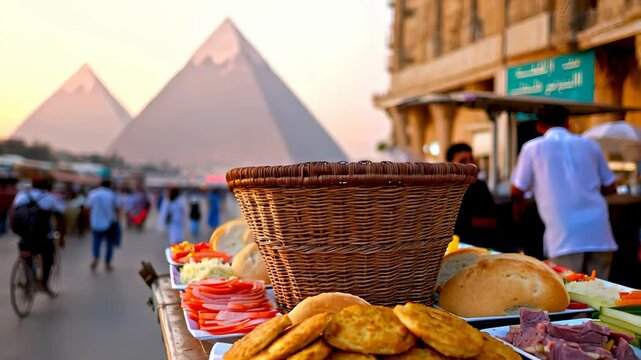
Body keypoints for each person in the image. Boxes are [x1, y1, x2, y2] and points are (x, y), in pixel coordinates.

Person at [511, 106, 618, 278]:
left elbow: (517, 189)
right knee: (601, 291)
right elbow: (610, 185)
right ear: (567, 121)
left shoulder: (532, 148)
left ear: (539, 126)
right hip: (598, 230)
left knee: (569, 292)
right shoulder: (590, 145)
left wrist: (519, 205)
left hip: (564, 234)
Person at [10, 176, 65, 296]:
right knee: (48, 258)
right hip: (43, 237)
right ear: (47, 187)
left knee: (26, 254)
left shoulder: (21, 195)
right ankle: (43, 284)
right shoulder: (49, 198)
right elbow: (60, 212)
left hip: (23, 236)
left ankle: (29, 278)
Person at [447, 143, 498, 249]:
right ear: (450, 164)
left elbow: (492, 221)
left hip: (480, 245)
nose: (470, 164)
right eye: (463, 161)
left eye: (471, 159)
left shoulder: (479, 186)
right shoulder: (444, 190)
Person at [86, 179, 120, 272]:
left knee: (96, 242)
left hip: (95, 222)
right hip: (109, 222)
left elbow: (88, 207)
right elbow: (117, 208)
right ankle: (107, 263)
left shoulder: (93, 193)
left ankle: (96, 257)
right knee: (109, 244)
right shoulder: (112, 194)